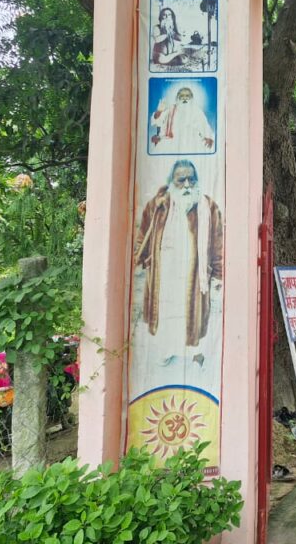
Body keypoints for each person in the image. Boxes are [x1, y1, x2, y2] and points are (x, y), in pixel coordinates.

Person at [133, 159, 223, 383]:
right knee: (166, 313)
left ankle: (197, 356)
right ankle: (167, 351)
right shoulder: (157, 206)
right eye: (181, 180)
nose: (187, 185)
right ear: (171, 182)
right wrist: (142, 260)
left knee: (194, 316)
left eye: (191, 179)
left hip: (195, 275)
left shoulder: (208, 208)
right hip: (165, 274)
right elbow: (142, 238)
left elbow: (218, 246)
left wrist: (218, 277)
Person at [150, 86, 215, 153]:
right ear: (177, 98)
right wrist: (159, 111)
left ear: (191, 98)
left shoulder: (197, 111)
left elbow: (204, 125)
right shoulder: (171, 109)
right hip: (170, 142)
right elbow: (157, 121)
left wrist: (209, 138)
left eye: (187, 96)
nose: (184, 98)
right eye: (182, 96)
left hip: (191, 143)